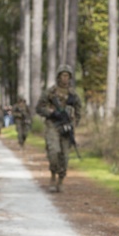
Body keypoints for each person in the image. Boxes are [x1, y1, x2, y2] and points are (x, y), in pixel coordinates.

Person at [36, 65, 83, 193]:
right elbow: (39, 108)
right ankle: (53, 175)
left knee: (65, 156)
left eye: (67, 76)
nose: (65, 78)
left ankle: (61, 179)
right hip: (53, 125)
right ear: (58, 77)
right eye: (63, 75)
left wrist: (73, 124)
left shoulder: (73, 95)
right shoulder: (50, 92)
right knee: (54, 151)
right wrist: (51, 113)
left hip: (67, 128)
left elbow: (79, 111)